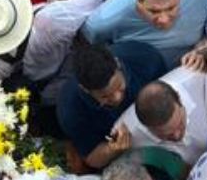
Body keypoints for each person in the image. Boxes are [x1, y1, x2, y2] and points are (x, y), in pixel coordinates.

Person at [56, 40, 168, 169]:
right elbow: (92, 157)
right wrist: (111, 149)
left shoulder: (146, 58)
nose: (117, 98)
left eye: (119, 87)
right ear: (85, 89)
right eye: (105, 97)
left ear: (118, 64)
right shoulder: (70, 109)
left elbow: (170, 94)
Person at [120, 68, 207, 166]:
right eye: (166, 135)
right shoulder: (126, 133)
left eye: (180, 124)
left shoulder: (201, 80)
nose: (177, 136)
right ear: (146, 127)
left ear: (179, 99)